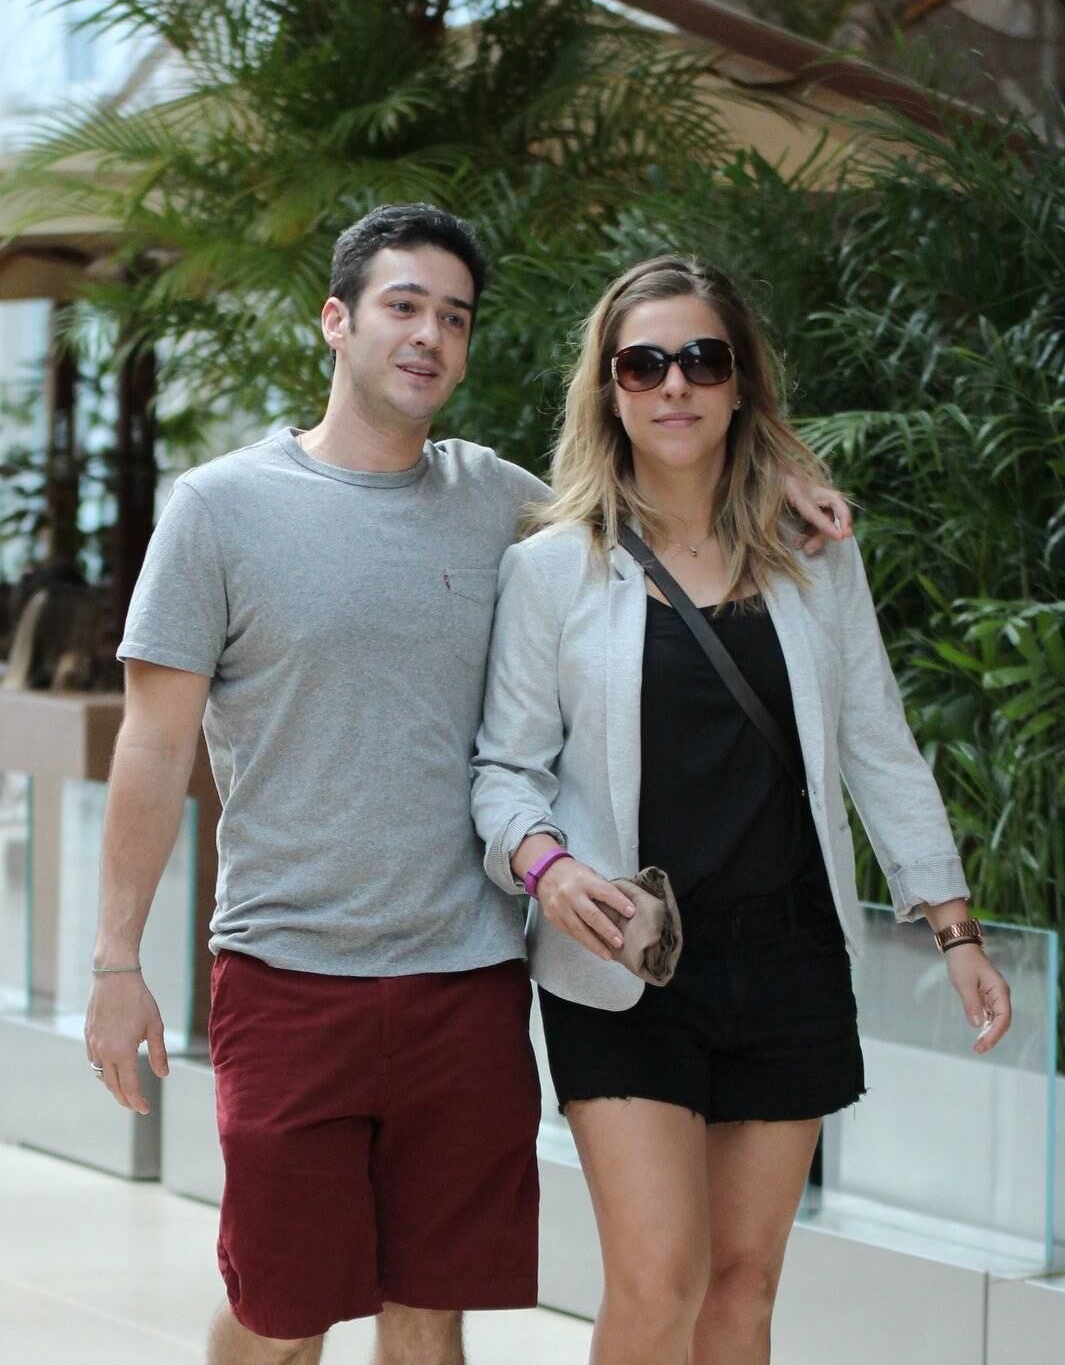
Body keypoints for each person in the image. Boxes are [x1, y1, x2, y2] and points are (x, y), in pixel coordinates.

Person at [84, 208, 853, 1365]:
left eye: (454, 317)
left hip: (468, 980)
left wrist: (777, 468)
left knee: (430, 1313)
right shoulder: (218, 508)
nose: (429, 335)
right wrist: (116, 962)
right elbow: (151, 747)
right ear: (336, 320)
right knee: (282, 1312)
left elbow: (658, 486)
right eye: (403, 306)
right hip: (291, 971)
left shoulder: (503, 503)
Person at [471, 255, 1012, 1365]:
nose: (674, 384)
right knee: (658, 1282)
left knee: (741, 1290)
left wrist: (954, 929)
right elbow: (504, 771)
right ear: (609, 388)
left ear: (740, 382)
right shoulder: (550, 569)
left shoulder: (813, 557)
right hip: (627, 962)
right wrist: (545, 866)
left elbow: (877, 744)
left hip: (786, 958)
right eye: (643, 363)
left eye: (702, 359)